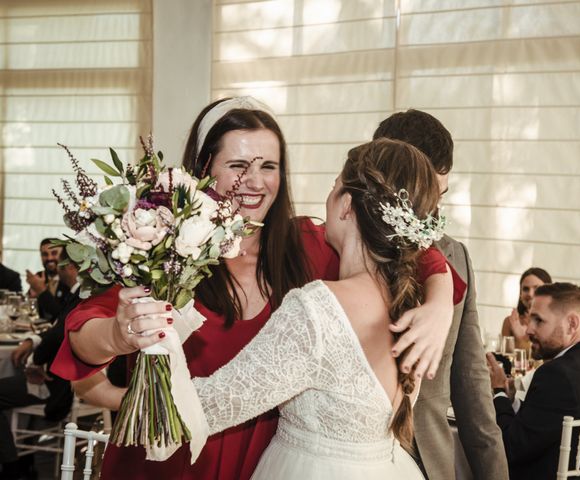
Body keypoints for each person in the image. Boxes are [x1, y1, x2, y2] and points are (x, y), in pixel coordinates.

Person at [51, 97, 456, 480]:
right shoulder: (163, 247)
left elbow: (404, 245)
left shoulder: (314, 247)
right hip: (172, 462)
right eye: (239, 164)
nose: (255, 182)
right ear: (203, 167)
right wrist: (119, 335)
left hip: (267, 464)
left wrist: (440, 306)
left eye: (270, 166)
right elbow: (84, 336)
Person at [124, 138, 441, 478]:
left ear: (346, 205)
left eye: (334, 188)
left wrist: (157, 327)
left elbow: (204, 410)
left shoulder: (318, 310)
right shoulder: (414, 308)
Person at [373, 109, 508, 480]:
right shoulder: (334, 253)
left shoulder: (456, 258)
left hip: (430, 460)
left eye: (441, 196)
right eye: (423, 196)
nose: (432, 213)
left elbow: (472, 384)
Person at [487, 283, 580, 480]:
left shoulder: (557, 374)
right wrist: (512, 399)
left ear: (572, 324)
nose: (528, 329)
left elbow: (509, 448)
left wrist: (499, 392)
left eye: (539, 320)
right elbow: (544, 426)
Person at [0, 251, 80, 480]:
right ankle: (21, 462)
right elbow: (54, 328)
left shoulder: (80, 297)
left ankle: (11, 468)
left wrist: (35, 362)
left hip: (60, 383)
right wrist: (32, 341)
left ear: (70, 267)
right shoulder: (78, 295)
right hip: (64, 376)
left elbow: (57, 334)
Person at [501, 267, 552, 351]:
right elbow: (506, 359)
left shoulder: (554, 322)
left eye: (537, 288)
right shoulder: (509, 322)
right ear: (520, 294)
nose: (530, 294)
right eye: (525, 289)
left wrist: (523, 339)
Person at [25, 238, 70, 321]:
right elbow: (27, 310)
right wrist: (30, 298)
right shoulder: (38, 276)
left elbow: (62, 315)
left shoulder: (69, 280)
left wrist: (41, 290)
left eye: (54, 253)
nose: (49, 258)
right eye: (45, 254)